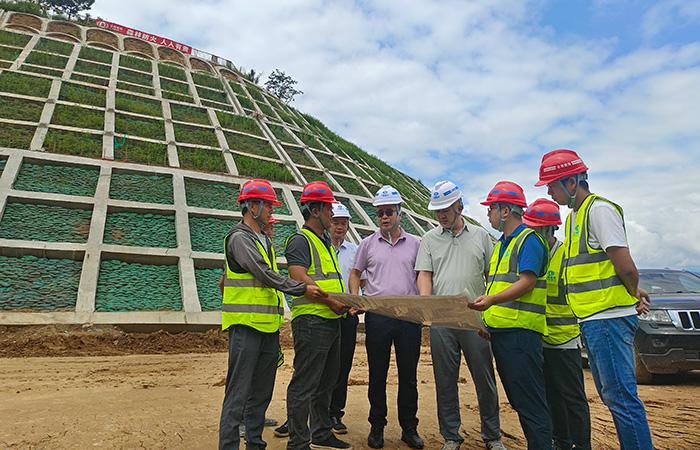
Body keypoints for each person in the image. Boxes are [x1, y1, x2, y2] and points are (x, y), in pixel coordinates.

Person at [535, 149, 652, 449]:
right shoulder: (576, 216)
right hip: (594, 320)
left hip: (607, 319)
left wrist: (631, 293)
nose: (548, 192)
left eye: (552, 185)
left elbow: (626, 267)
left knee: (621, 399)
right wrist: (633, 291)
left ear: (572, 182)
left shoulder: (599, 211)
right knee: (614, 397)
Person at [218, 179, 328, 450]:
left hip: (267, 327)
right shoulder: (239, 238)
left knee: (261, 394)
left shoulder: (262, 241)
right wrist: (301, 288)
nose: (271, 210)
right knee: (238, 395)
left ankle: (255, 443)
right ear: (251, 206)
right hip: (246, 327)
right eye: (268, 205)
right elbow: (264, 274)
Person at [415, 180, 505, 450]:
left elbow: (493, 276)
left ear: (460, 207)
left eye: (446, 209)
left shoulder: (480, 236)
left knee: (484, 377)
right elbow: (425, 275)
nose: (441, 215)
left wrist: (490, 310)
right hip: (442, 319)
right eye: (437, 211)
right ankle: (451, 436)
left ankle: (492, 435)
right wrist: (426, 305)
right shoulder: (429, 239)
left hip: (474, 318)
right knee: (445, 380)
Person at [469, 181, 552, 450]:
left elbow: (527, 282)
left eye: (491, 208)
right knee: (520, 400)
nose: (488, 213)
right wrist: (488, 320)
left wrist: (490, 301)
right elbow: (497, 287)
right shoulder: (503, 244)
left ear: (505, 211)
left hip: (521, 335)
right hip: (504, 333)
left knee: (530, 403)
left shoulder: (529, 240)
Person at [349, 185, 424, 450]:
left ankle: (409, 428)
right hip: (378, 317)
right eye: (380, 212)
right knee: (377, 373)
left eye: (389, 211)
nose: (384, 217)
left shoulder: (416, 244)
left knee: (409, 376)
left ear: (399, 213)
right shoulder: (367, 244)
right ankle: (377, 427)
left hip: (408, 317)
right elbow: (355, 273)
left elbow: (423, 276)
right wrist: (356, 297)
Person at [284, 181, 352, 450]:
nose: (332, 214)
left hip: (331, 319)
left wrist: (342, 302)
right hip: (313, 320)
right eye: (328, 209)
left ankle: (321, 433)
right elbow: (299, 276)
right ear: (315, 210)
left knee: (327, 381)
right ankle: (298, 442)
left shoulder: (324, 242)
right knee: (305, 383)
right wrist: (332, 302)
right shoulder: (300, 240)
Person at [523, 198, 591, 450]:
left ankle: (581, 445)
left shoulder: (565, 256)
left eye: (533, 227)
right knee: (550, 395)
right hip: (539, 337)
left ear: (546, 229)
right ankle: (560, 441)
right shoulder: (532, 254)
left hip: (564, 339)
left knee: (572, 398)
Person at [329, 202, 361, 435]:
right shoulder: (319, 247)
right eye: (335, 222)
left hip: (347, 315)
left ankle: (335, 413)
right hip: (323, 314)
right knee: (316, 366)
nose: (340, 227)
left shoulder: (355, 251)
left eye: (343, 223)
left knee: (342, 366)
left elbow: (362, 279)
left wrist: (357, 302)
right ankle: (306, 413)